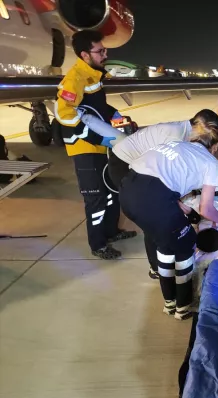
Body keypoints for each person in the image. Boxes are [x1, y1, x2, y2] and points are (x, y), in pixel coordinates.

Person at [119, 130, 218, 320]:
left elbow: (160, 181)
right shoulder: (210, 162)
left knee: (165, 244)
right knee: (185, 244)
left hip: (127, 194)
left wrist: (183, 209)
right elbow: (207, 209)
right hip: (154, 200)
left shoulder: (175, 145)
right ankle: (183, 307)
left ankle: (169, 303)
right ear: (214, 147)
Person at [108, 109, 218, 279]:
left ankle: (162, 263)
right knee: (153, 218)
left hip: (141, 169)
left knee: (161, 215)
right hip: (125, 165)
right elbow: (165, 173)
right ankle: (157, 268)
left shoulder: (185, 133)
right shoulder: (174, 136)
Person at [54, 30, 135, 260]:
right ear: (85, 54)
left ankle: (111, 232)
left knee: (111, 192)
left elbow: (97, 107)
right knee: (95, 198)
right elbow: (64, 114)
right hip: (84, 148)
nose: (105, 54)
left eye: (104, 50)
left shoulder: (94, 74)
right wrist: (93, 137)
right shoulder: (75, 78)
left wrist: (116, 115)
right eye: (100, 51)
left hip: (101, 146)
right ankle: (98, 244)